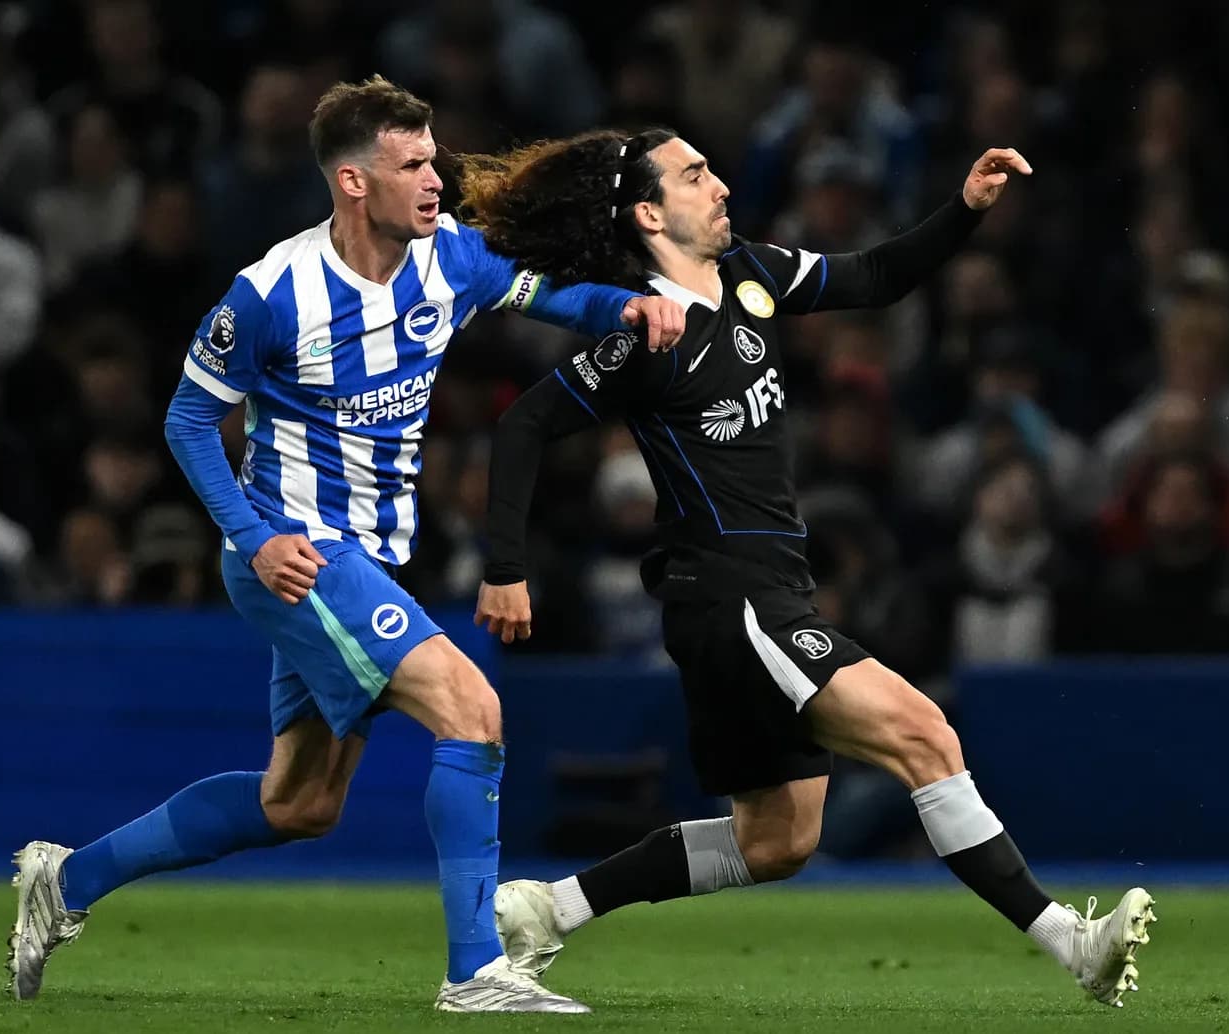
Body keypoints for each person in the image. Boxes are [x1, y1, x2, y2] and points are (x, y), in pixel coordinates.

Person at [4, 77, 685, 1013]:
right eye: (412, 164)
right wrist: (252, 536)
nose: (436, 177)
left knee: (301, 804)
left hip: (363, 553)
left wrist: (625, 310)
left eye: (434, 156)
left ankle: (66, 880)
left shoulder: (450, 258)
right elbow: (190, 420)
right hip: (298, 556)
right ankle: (476, 969)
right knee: (471, 709)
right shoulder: (272, 293)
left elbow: (549, 296)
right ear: (355, 182)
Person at [463, 128, 1155, 1007]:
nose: (719, 184)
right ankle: (1071, 943)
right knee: (924, 735)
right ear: (649, 212)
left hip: (752, 596)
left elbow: (873, 278)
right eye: (694, 175)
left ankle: (548, 911)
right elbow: (522, 425)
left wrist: (965, 208)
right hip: (732, 598)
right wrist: (505, 568)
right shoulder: (644, 327)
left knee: (777, 841)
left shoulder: (749, 271)